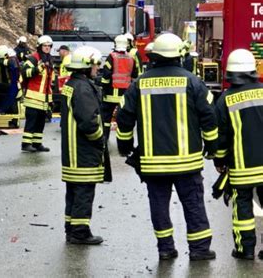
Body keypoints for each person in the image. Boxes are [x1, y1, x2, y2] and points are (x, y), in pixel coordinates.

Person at [116, 33, 218, 261]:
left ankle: (165, 248)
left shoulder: (139, 84)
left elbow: (124, 119)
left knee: (159, 205)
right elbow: (209, 118)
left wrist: (125, 146)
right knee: (193, 204)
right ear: (178, 56)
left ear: (155, 56)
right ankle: (200, 250)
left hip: (153, 163)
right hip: (187, 162)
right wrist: (212, 147)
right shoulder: (192, 81)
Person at [214, 49, 263, 261]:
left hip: (242, 167)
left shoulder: (226, 100)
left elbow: (221, 137)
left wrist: (220, 161)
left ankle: (246, 250)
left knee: (242, 207)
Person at [61, 46, 105, 245]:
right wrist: (100, 140)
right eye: (95, 64)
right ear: (87, 65)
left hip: (72, 151)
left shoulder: (72, 84)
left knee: (74, 192)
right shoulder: (83, 88)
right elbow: (89, 122)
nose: (97, 68)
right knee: (84, 192)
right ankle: (80, 232)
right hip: (83, 151)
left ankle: (71, 229)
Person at [99, 34, 137, 142]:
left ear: (115, 44)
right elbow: (134, 75)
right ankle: (124, 143)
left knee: (106, 119)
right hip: (125, 95)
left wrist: (104, 89)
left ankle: (104, 141)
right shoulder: (131, 57)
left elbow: (106, 75)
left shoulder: (112, 57)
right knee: (124, 119)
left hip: (110, 95)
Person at [21, 35, 54, 152]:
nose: (47, 48)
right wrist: (38, 68)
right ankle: (26, 144)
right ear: (40, 46)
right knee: (31, 121)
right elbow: (25, 72)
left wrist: (50, 100)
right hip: (33, 97)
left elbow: (48, 82)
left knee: (40, 122)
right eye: (44, 46)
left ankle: (37, 143)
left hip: (43, 99)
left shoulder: (49, 59)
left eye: (49, 46)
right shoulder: (34, 58)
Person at [0, 45, 22, 114]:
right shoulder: (4, 58)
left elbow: (14, 66)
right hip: (5, 84)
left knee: (9, 101)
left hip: (12, 84)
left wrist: (6, 62)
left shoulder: (13, 60)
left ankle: (1, 111)